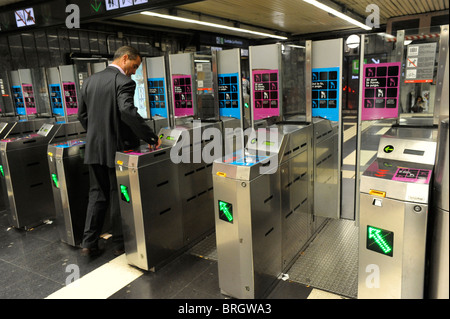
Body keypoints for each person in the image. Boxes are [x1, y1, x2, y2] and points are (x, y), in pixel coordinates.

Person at [78, 46, 161, 257]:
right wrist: (150, 136)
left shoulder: (89, 81)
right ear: (125, 59)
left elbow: (82, 116)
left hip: (94, 148)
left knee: (97, 195)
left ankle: (88, 243)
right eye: (134, 66)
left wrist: (97, 134)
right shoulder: (124, 82)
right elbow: (127, 111)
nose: (134, 71)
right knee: (118, 194)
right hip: (117, 150)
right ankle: (119, 242)